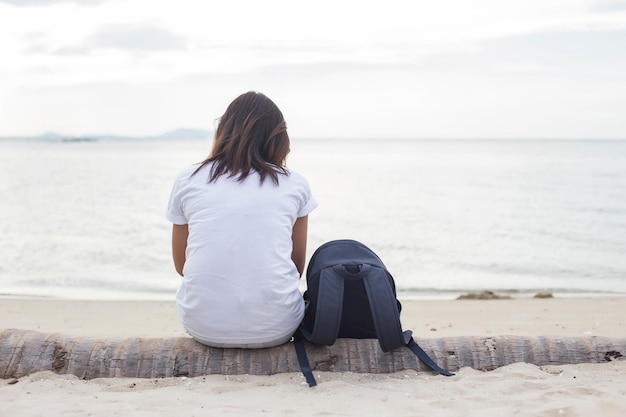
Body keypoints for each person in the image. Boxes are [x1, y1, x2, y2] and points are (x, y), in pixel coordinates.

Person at [165, 91, 317, 348]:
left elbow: (182, 266)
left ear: (223, 131)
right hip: (277, 327)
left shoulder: (187, 179)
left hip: (203, 326)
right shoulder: (295, 183)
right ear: (279, 137)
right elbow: (296, 266)